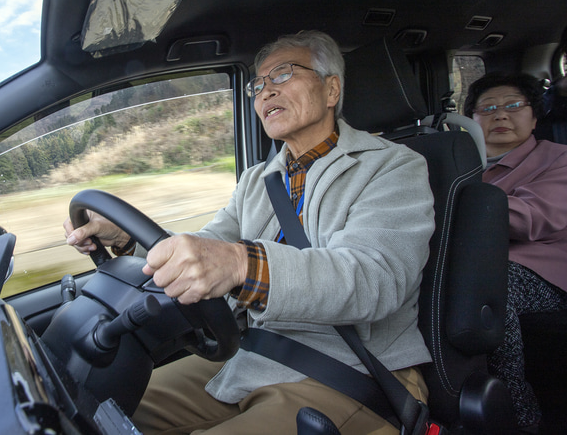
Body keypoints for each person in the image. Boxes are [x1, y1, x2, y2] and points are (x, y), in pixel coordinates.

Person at [64, 30, 436, 434]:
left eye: (282, 75)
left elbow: (373, 279)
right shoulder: (257, 180)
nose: (264, 93)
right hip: (250, 357)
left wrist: (241, 263)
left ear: (331, 90)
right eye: (257, 85)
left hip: (351, 373)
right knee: (95, 412)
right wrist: (125, 239)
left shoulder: (393, 167)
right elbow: (207, 248)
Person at [463, 72, 567, 431]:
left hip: (543, 278)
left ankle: (519, 415)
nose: (500, 115)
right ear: (472, 121)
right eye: (487, 108)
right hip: (469, 268)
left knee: (488, 283)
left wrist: (456, 203)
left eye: (513, 106)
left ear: (534, 116)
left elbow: (535, 218)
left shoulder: (557, 159)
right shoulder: (462, 165)